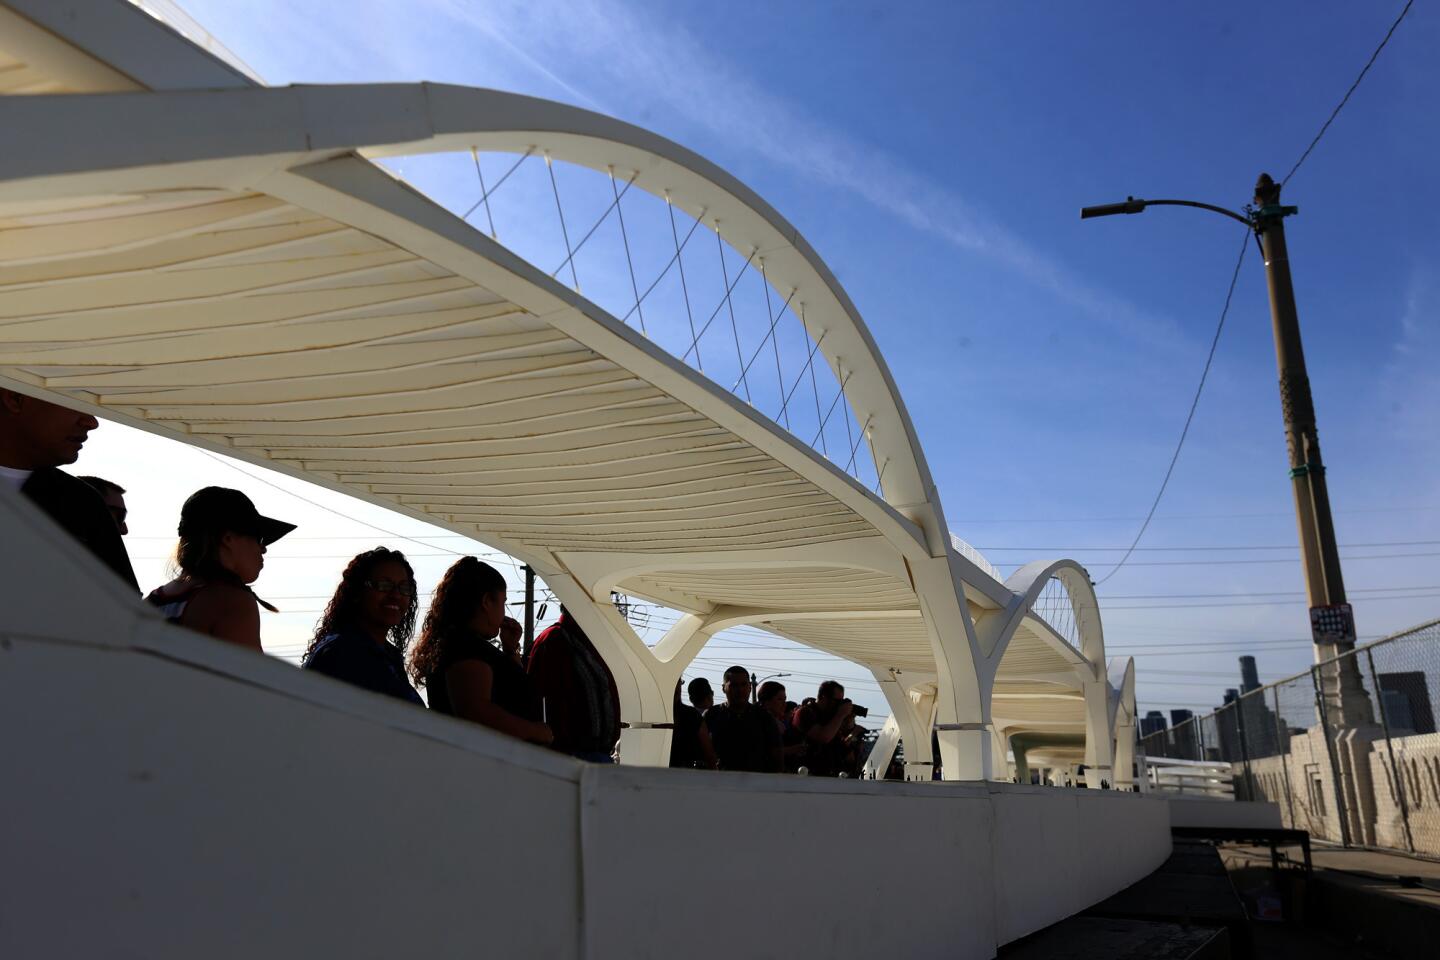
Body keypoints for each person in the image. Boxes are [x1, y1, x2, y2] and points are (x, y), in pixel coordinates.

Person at [0, 389, 137, 591]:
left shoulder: (83, 503)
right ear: (15, 398)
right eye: (76, 401)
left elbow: (122, 610)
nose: (92, 422)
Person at [409, 557, 551, 745]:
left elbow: (509, 690)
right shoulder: (466, 648)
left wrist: (510, 650)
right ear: (486, 602)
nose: (504, 611)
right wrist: (535, 731)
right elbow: (477, 711)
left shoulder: (461, 645)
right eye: (503, 602)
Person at [146, 486, 293, 651]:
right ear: (228, 539)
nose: (263, 548)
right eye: (259, 538)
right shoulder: (232, 601)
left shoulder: (152, 602)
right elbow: (247, 674)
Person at [301, 547, 423, 705]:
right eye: (384, 585)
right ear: (357, 592)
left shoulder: (390, 655)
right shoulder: (341, 651)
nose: (396, 595)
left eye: (404, 588)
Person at [527, 605, 622, 762]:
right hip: (569, 757)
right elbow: (541, 700)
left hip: (597, 754)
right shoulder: (555, 638)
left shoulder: (591, 643)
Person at [705, 666, 781, 773]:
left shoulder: (763, 717)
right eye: (734, 685)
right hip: (720, 781)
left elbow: (776, 754)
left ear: (750, 687)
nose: (740, 690)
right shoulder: (712, 715)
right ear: (723, 688)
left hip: (756, 781)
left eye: (744, 684)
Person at [792, 680, 854, 777]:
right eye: (837, 701)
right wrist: (841, 715)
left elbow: (842, 749)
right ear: (824, 697)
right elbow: (824, 737)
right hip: (805, 774)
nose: (839, 706)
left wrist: (848, 722)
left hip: (827, 774)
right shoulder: (805, 713)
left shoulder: (829, 718)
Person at [669, 679, 719, 770]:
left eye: (678, 682)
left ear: (691, 699)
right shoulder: (693, 717)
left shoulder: (692, 716)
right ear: (711, 694)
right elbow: (710, 757)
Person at [758, 681, 805, 771]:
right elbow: (765, 751)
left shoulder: (780, 723)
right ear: (766, 702)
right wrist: (792, 749)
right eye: (779, 699)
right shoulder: (760, 723)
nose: (784, 704)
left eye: (785, 699)